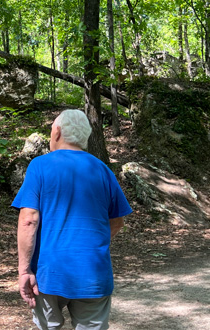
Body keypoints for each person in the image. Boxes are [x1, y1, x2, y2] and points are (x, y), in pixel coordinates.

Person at [12, 109, 132, 330]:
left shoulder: (40, 166)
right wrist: (89, 245)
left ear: (57, 132)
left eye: (50, 131)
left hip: (49, 273)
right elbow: (116, 222)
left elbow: (28, 220)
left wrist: (24, 271)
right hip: (93, 273)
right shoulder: (103, 171)